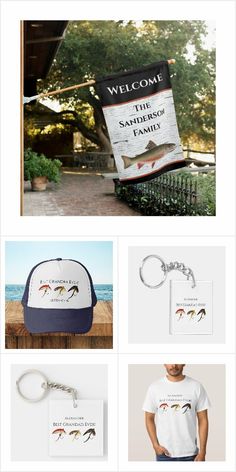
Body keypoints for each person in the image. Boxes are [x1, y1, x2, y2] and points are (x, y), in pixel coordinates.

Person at [143, 364, 210, 461]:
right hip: (164, 454)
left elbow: (203, 420)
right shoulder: (154, 388)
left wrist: (203, 452)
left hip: (191, 455)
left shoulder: (196, 386)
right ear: (164, 363)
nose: (174, 365)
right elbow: (149, 418)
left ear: (184, 362)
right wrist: (155, 445)